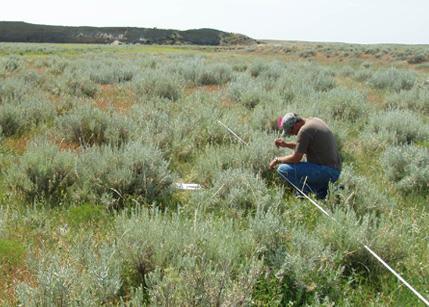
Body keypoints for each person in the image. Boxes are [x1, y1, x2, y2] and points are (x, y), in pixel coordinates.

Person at [269, 112, 341, 199]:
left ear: (296, 124)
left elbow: (296, 158)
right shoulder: (314, 121)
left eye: (291, 131)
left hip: (326, 171)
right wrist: (286, 144)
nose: (292, 134)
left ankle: (307, 193)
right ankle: (323, 191)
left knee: (283, 169)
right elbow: (304, 146)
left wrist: (277, 160)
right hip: (334, 171)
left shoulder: (304, 130)